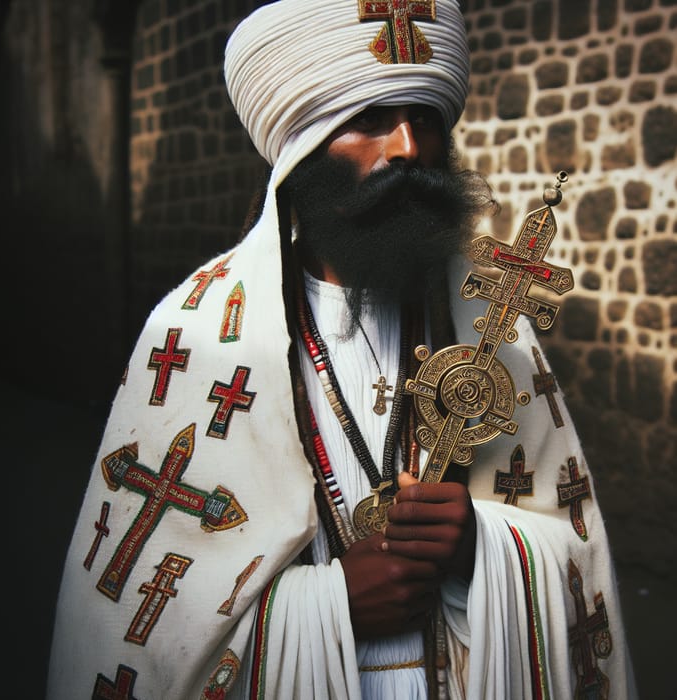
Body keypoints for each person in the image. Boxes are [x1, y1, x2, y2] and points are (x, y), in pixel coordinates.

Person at [47, 1, 637, 698]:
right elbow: (137, 619)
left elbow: (575, 545)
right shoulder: (197, 331)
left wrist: (482, 548)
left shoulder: (490, 320)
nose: (407, 149)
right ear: (302, 149)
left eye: (422, 118)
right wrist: (328, 607)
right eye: (368, 122)